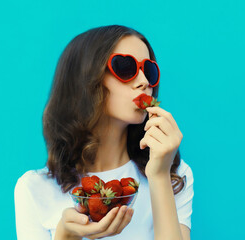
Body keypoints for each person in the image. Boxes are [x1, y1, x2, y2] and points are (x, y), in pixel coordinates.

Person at [14, 24, 194, 240]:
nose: (144, 82)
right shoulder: (34, 189)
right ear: (84, 80)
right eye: (126, 68)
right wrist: (66, 234)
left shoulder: (174, 176)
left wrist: (159, 176)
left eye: (148, 70)